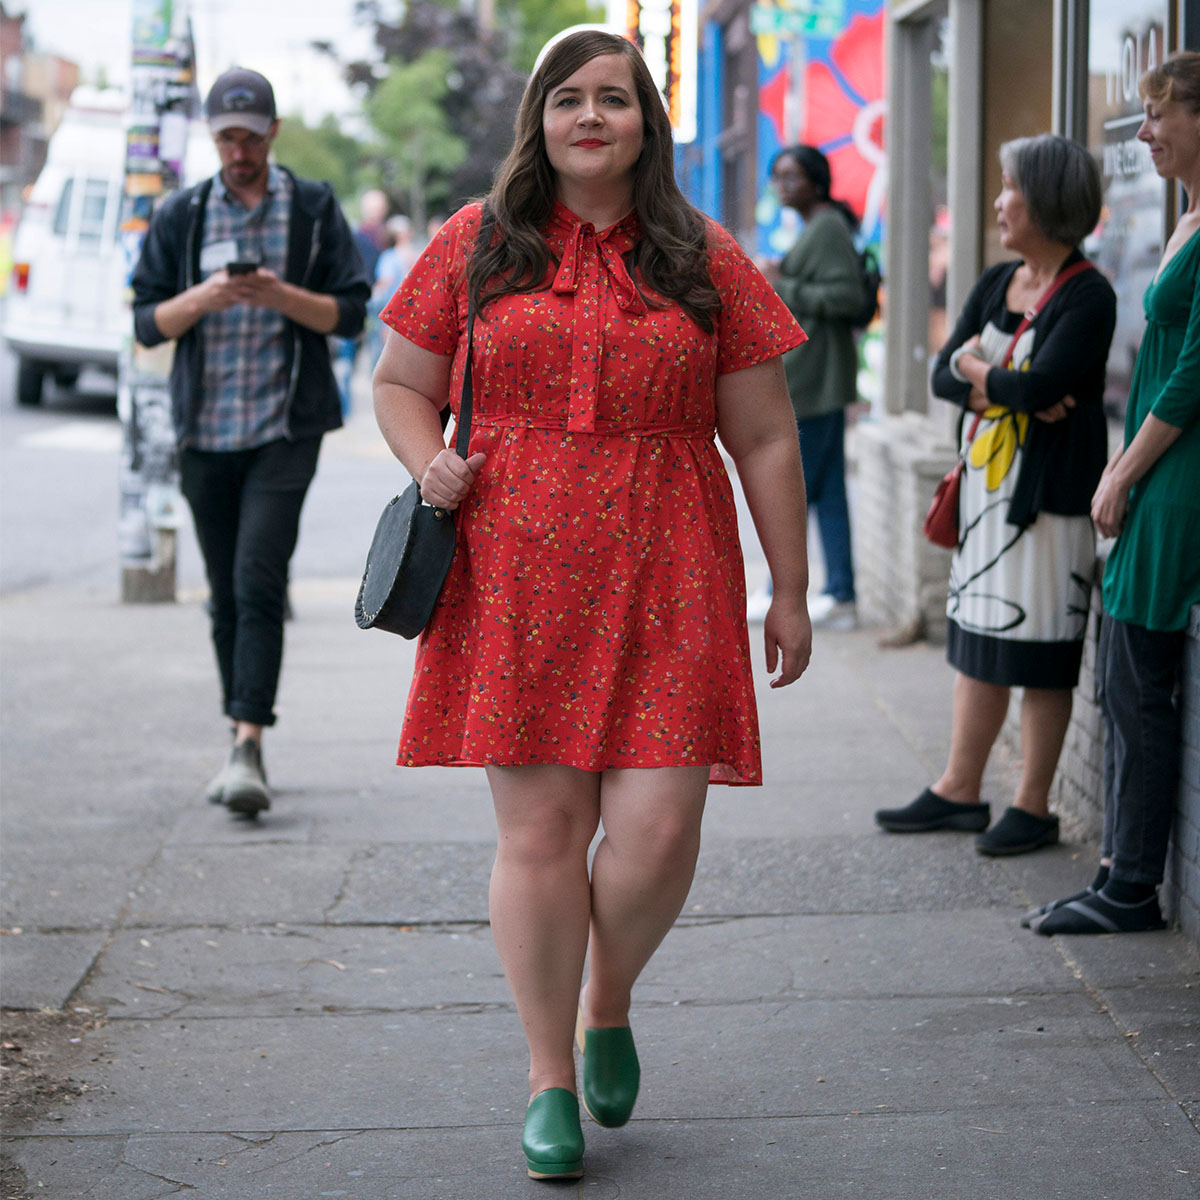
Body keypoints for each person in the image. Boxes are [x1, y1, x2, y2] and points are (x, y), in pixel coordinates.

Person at [371, 30, 812, 1181]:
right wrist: (429, 466)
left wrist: (793, 589)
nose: (590, 116)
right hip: (514, 571)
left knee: (662, 830)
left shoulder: (702, 254)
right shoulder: (478, 244)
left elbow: (763, 433)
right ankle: (547, 1076)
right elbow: (401, 383)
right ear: (541, 118)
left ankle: (605, 999)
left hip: (672, 566)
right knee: (542, 835)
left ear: (643, 123)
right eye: (568, 98)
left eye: (613, 98)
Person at [131, 67, 369, 817]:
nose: (238, 150)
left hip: (282, 429)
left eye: (250, 135)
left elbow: (353, 315)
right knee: (225, 594)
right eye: (226, 137)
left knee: (259, 580)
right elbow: (145, 323)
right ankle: (237, 728)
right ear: (212, 138)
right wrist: (203, 297)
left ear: (273, 132)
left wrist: (280, 295)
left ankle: (247, 745)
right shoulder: (185, 214)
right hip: (203, 431)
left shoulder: (312, 208)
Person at [875, 134, 1116, 856]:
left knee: (1040, 644)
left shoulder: (1089, 294)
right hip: (983, 494)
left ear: (1044, 199)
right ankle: (958, 789)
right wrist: (995, 383)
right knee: (977, 639)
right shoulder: (997, 281)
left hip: (1045, 502)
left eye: (1010, 188)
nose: (1000, 202)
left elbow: (1037, 387)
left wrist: (985, 374)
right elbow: (942, 377)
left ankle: (1033, 804)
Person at [1027, 53, 1200, 935]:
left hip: (1175, 484)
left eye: (1159, 115)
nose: (1145, 134)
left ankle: (1132, 884)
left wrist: (1122, 469)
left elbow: (1193, 375)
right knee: (1121, 677)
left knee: (1139, 681)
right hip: (1153, 475)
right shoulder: (1188, 220)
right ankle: (1113, 871)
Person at [748, 145, 863, 630]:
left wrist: (780, 281)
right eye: (776, 175)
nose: (782, 184)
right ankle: (840, 594)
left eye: (792, 175)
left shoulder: (829, 227)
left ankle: (786, 593)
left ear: (816, 180)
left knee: (795, 491)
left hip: (816, 381)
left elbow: (847, 296)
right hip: (816, 379)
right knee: (829, 491)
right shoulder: (817, 228)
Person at [334, 188, 391, 414]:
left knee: (351, 352)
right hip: (377, 297)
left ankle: (348, 403)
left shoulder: (357, 235)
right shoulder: (383, 236)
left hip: (364, 297)